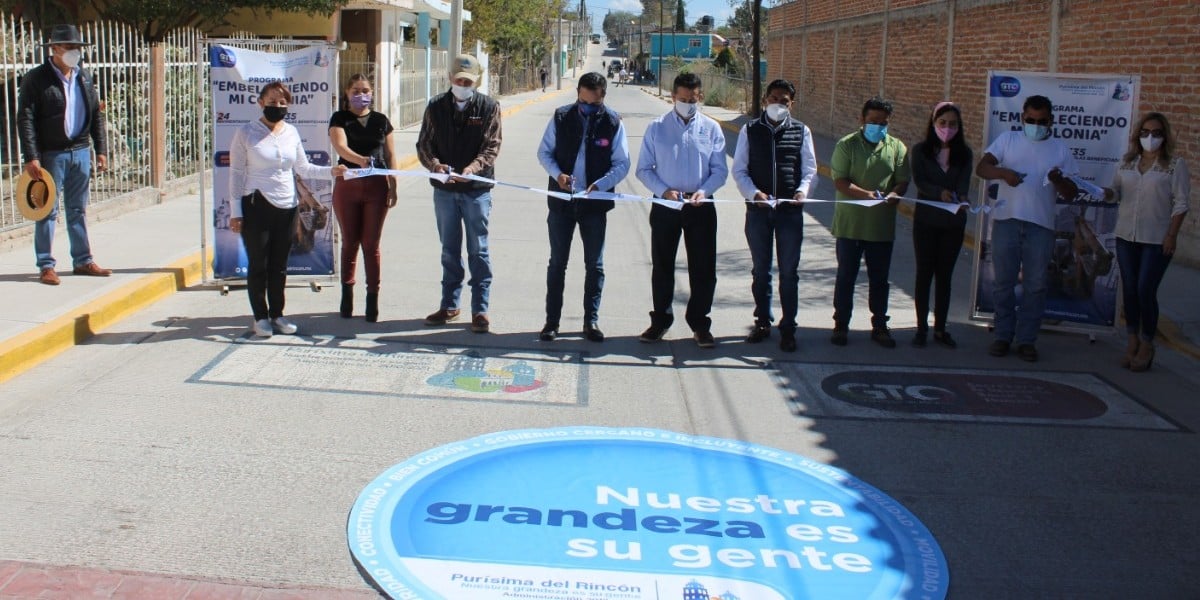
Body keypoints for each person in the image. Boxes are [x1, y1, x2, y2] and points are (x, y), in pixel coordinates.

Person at [229, 82, 346, 338]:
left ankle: (277, 314)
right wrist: (236, 211)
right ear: (260, 102)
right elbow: (236, 174)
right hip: (256, 204)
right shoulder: (246, 133)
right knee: (259, 263)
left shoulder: (291, 132)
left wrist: (332, 171)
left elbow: (304, 168)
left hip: (287, 207)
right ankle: (260, 317)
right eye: (272, 102)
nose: (277, 106)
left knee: (280, 265)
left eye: (282, 103)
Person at [976, 94, 1079, 362]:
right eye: (1030, 120)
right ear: (1022, 117)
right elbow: (982, 167)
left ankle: (1026, 340)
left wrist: (1058, 180)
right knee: (1003, 283)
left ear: (1050, 121)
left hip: (1040, 226)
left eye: (1041, 121)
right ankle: (1002, 335)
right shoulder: (1008, 140)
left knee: (1035, 285)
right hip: (1007, 221)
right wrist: (1003, 173)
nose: (1035, 124)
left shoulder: (1060, 149)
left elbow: (1071, 194)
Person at [536, 72, 630, 343]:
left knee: (595, 265)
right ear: (578, 93)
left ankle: (591, 321)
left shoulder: (612, 122)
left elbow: (622, 162)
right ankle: (551, 322)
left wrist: (602, 184)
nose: (588, 108)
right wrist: (558, 175)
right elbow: (544, 152)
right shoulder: (561, 116)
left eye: (594, 103)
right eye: (583, 101)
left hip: (594, 206)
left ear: (603, 97)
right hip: (561, 203)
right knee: (557, 264)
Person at [636, 72, 728, 348]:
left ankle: (700, 323)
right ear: (672, 96)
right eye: (682, 98)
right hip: (666, 205)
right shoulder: (657, 128)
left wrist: (705, 191)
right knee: (663, 265)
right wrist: (664, 190)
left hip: (700, 206)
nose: (688, 103)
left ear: (700, 97)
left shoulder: (712, 129)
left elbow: (719, 170)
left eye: (693, 98)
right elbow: (643, 169)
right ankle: (660, 320)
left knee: (703, 268)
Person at [17, 24, 110, 286]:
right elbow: (25, 118)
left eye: (77, 48)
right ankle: (46, 265)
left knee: (77, 209)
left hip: (80, 151)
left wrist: (100, 149)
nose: (74, 53)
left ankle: (82, 260)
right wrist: (32, 155)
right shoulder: (37, 79)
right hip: (52, 154)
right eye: (69, 48)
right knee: (47, 209)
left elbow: (95, 115)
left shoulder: (84, 77)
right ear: (54, 48)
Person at [416, 53, 503, 333]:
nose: (463, 84)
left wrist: (472, 168)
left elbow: (492, 146)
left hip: (476, 190)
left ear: (476, 81)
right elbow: (424, 144)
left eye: (469, 81)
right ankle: (450, 304)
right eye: (459, 79)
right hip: (445, 191)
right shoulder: (435, 106)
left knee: (479, 250)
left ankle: (480, 309)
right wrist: (435, 165)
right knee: (449, 250)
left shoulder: (489, 107)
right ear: (450, 78)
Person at [731, 79, 816, 353]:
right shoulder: (750, 130)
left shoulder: (802, 131)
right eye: (774, 98)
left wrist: (802, 192)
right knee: (761, 271)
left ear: (792, 103)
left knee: (789, 272)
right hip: (758, 212)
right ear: (765, 99)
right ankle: (762, 322)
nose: (779, 103)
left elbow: (810, 170)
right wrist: (754, 193)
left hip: (790, 213)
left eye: (785, 100)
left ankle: (788, 327)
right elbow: (740, 169)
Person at [1103, 112, 1189, 371]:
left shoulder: (1174, 165)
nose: (1150, 138)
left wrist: (1171, 235)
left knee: (1144, 290)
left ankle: (1147, 343)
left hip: (1156, 239)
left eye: (1156, 133)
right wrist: (1105, 192)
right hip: (1126, 235)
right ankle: (1131, 340)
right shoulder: (1127, 163)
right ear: (1137, 135)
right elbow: (1115, 193)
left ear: (1164, 137)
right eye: (1145, 132)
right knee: (1129, 290)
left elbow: (1181, 202)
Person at [829, 96, 910, 348]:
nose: (878, 126)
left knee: (879, 279)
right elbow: (840, 180)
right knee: (846, 277)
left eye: (883, 122)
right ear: (862, 120)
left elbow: (902, 179)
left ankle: (880, 325)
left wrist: (895, 194)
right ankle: (841, 324)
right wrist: (867, 196)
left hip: (881, 228)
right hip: (850, 226)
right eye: (873, 121)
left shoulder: (897, 147)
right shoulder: (847, 145)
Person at [329, 74, 398, 323]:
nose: (361, 95)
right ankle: (347, 296)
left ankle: (372, 299)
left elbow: (390, 155)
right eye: (356, 90)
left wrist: (393, 184)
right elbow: (340, 147)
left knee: (371, 244)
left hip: (377, 187)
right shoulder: (340, 118)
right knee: (350, 241)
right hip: (348, 184)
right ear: (347, 92)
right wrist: (362, 161)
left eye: (365, 90)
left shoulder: (381, 121)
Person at [909, 101, 972, 349]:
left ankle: (941, 329)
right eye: (942, 123)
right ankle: (921, 329)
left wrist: (962, 197)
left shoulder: (964, 153)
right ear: (933, 123)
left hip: (953, 223)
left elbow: (964, 183)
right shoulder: (920, 151)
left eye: (953, 124)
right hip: (926, 220)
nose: (947, 128)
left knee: (944, 276)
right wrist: (939, 192)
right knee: (924, 274)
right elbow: (920, 181)